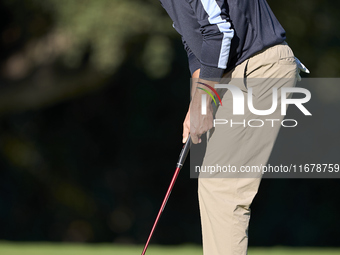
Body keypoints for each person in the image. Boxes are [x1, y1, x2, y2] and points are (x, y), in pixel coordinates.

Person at [159, 0, 308, 254]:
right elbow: (194, 42)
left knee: (220, 184)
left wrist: (204, 100)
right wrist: (196, 102)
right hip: (238, 73)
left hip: (260, 68)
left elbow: (218, 32)